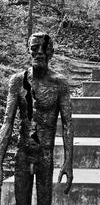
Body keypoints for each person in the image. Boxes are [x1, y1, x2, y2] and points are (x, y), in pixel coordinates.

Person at [0, 32, 73, 205]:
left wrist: (68, 162)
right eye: (34, 48)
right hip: (23, 153)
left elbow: (67, 124)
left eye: (44, 48)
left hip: (45, 154)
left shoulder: (59, 83)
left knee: (44, 201)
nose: (39, 52)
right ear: (29, 51)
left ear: (51, 52)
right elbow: (7, 122)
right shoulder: (17, 81)